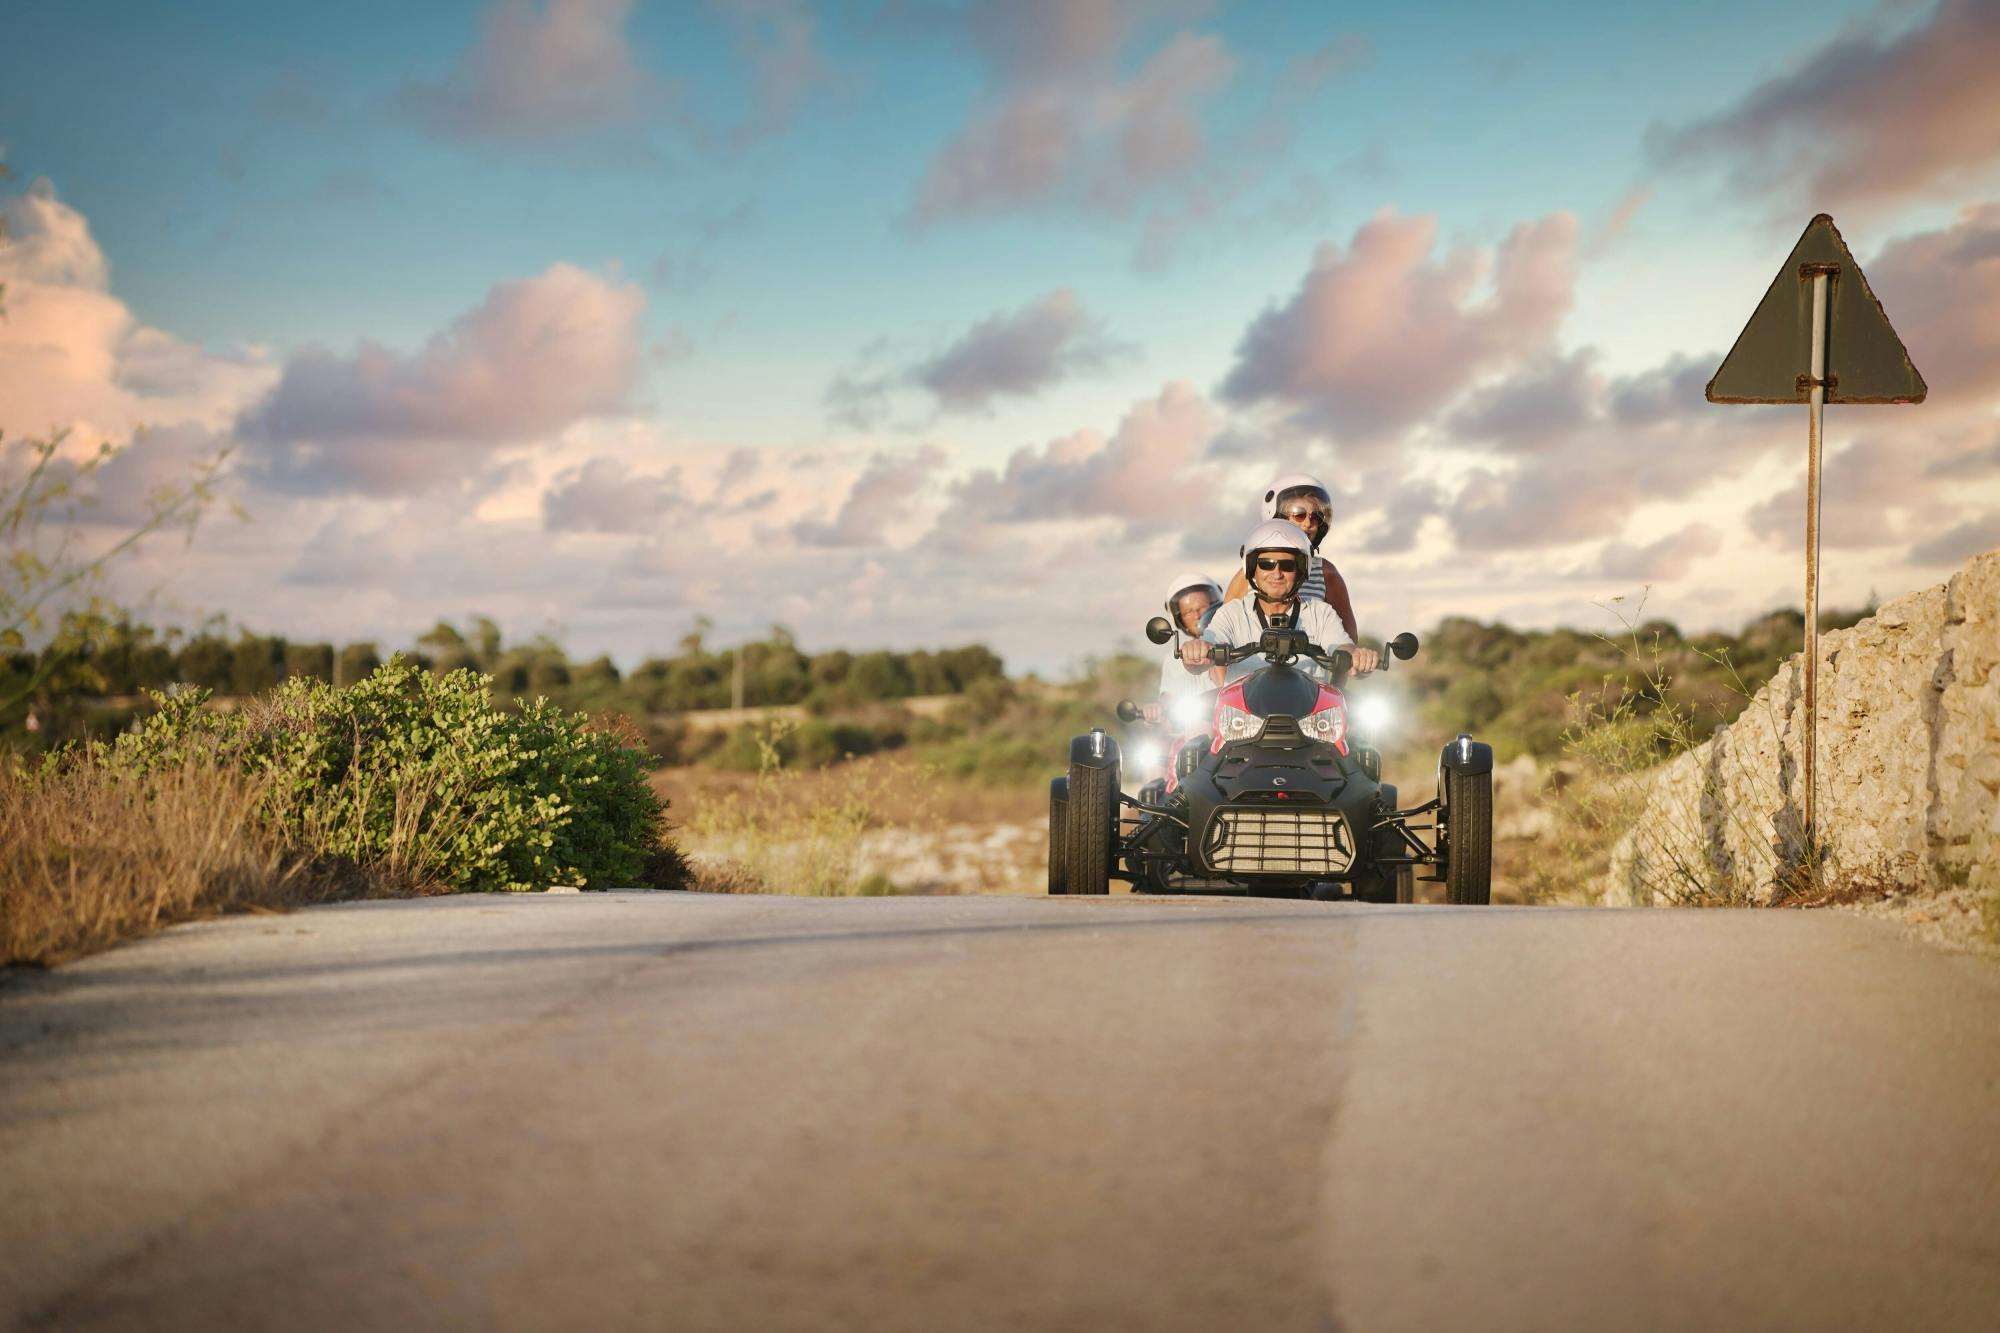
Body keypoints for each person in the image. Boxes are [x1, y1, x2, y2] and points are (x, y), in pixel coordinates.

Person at [1185, 520, 1379, 683]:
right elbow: (1206, 651)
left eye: (1287, 565)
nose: (1276, 574)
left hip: (1310, 713)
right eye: (1266, 564)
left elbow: (1341, 645)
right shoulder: (1232, 613)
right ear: (1252, 568)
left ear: (1301, 570)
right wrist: (1196, 651)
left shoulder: (1320, 613)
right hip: (1242, 714)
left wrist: (1357, 657)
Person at [1220, 473, 1358, 642]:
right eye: (1299, 514)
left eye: (1316, 516)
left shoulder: (1326, 573)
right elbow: (1224, 630)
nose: (1308, 523)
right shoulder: (1249, 572)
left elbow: (1349, 639)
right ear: (1277, 516)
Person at [1143, 571, 1223, 725]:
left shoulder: (1234, 643)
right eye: (1188, 612)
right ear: (1179, 619)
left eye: (1203, 607)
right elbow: (1168, 697)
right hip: (1196, 728)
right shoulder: (1173, 659)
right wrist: (1157, 708)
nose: (1197, 615)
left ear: (1216, 606)